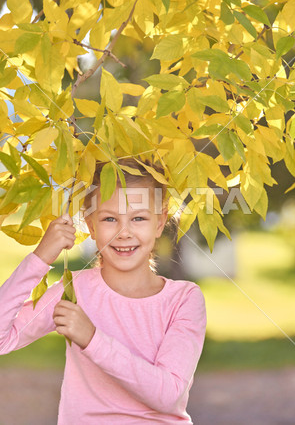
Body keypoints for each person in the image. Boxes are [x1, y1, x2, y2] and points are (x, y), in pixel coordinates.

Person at [0, 158, 207, 424]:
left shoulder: (184, 299)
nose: (124, 232)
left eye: (139, 218)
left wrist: (92, 339)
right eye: (110, 218)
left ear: (159, 223)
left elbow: (168, 395)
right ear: (90, 224)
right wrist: (41, 258)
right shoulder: (72, 291)